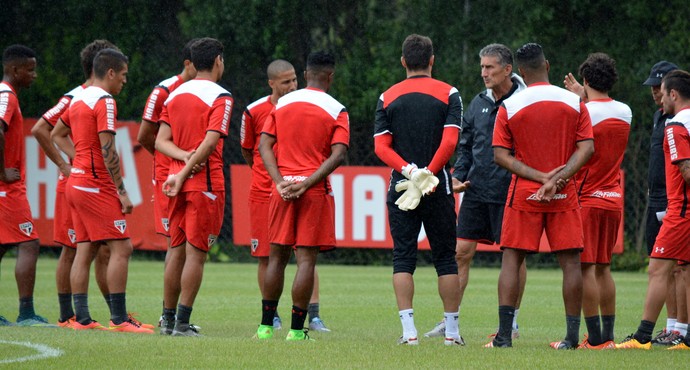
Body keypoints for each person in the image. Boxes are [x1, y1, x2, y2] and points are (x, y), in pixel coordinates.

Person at [487, 43, 594, 349]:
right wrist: (557, 178)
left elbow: (500, 155)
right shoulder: (575, 103)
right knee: (571, 263)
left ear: (520, 71)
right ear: (547, 65)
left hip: (524, 192)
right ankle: (572, 338)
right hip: (564, 192)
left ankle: (504, 337)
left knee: (512, 260)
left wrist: (538, 177)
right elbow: (587, 148)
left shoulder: (512, 105)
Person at [423, 43, 526, 340]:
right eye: (482, 67)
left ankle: (512, 322)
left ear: (508, 69)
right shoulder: (478, 102)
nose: (484, 73)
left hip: (510, 191)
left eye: (490, 67)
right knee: (460, 254)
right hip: (476, 191)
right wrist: (459, 177)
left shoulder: (523, 102)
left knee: (513, 258)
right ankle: (450, 321)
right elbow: (465, 146)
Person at [51, 48, 152, 333]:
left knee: (86, 248)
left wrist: (78, 161)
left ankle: (81, 319)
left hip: (76, 182)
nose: (124, 81)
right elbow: (108, 149)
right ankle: (120, 319)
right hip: (96, 185)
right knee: (123, 247)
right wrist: (121, 190)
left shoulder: (78, 97)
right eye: (123, 75)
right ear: (110, 72)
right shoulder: (105, 101)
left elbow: (56, 133)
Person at [374, 34, 463, 346]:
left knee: (403, 257)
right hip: (438, 187)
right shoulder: (449, 93)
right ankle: (451, 334)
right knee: (446, 259)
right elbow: (450, 141)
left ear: (403, 62)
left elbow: (381, 147)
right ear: (432, 60)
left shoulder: (388, 96)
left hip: (401, 187)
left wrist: (410, 171)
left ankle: (409, 332)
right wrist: (429, 174)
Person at [255, 51, 348, 341]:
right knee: (306, 261)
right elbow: (339, 153)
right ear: (330, 77)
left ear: (305, 75)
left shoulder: (283, 103)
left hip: (281, 190)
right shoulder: (337, 109)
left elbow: (264, 145)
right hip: (313, 191)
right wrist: (307, 183)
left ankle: (266, 327)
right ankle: (296, 331)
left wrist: (280, 181)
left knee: (276, 258)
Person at [31, 40, 119, 328]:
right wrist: (67, 164)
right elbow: (42, 128)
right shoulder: (77, 97)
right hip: (80, 183)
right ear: (102, 68)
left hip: (89, 181)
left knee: (101, 249)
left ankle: (110, 314)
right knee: (74, 248)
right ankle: (68, 315)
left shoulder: (91, 96)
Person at [241, 59, 330, 332]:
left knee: (306, 253)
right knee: (267, 255)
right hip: (265, 192)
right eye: (285, 82)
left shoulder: (304, 105)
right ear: (271, 83)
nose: (292, 86)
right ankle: (273, 316)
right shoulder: (254, 110)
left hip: (299, 187)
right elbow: (250, 150)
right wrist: (270, 177)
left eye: (294, 80)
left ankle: (312, 315)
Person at [156, 37, 232, 336]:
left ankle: (167, 320)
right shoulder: (221, 96)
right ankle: (183, 323)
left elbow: (161, 141)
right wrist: (189, 165)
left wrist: (181, 162)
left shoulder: (175, 94)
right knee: (195, 253)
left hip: (175, 181)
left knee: (175, 251)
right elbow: (211, 141)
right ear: (217, 61)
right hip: (204, 184)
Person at [616, 70, 690, 350]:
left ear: (673, 94)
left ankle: (642, 336)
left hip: (681, 210)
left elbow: (685, 170)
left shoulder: (676, 124)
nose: (659, 99)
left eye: (662, 92)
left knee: (658, 268)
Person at [563, 53, 632, 349]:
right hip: (613, 197)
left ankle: (594, 338)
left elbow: (578, 149)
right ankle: (609, 336)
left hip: (588, 198)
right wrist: (585, 96)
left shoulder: (583, 112)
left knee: (585, 268)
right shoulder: (625, 111)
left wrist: (580, 100)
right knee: (604, 268)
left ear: (587, 80)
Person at [137, 39, 198, 334]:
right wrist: (168, 164)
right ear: (187, 64)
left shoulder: (198, 91)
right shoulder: (164, 90)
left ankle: (172, 318)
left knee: (185, 248)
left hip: (190, 172)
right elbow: (145, 135)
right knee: (176, 247)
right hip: (169, 176)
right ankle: (169, 318)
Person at [639, 61, 687, 346]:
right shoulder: (662, 117)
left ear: (673, 91)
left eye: (660, 87)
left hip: (676, 202)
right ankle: (672, 327)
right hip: (656, 198)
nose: (655, 91)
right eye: (653, 87)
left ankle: (680, 328)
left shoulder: (680, 120)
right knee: (665, 268)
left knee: (676, 267)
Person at [0, 44, 47, 327]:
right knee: (29, 243)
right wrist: (3, 172)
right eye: (30, 69)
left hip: (6, 187)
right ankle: (27, 313)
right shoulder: (6, 95)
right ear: (14, 70)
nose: (34, 75)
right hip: (6, 188)